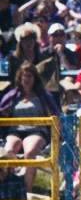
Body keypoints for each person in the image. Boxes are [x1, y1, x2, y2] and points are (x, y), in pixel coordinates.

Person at [0, 64, 61, 192]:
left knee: (30, 152)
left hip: (36, 130)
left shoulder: (43, 95)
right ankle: (11, 188)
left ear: (34, 78)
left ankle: (27, 190)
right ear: (19, 78)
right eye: (23, 75)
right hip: (15, 130)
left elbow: (55, 114)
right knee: (8, 151)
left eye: (29, 75)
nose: (26, 79)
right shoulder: (13, 95)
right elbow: (3, 111)